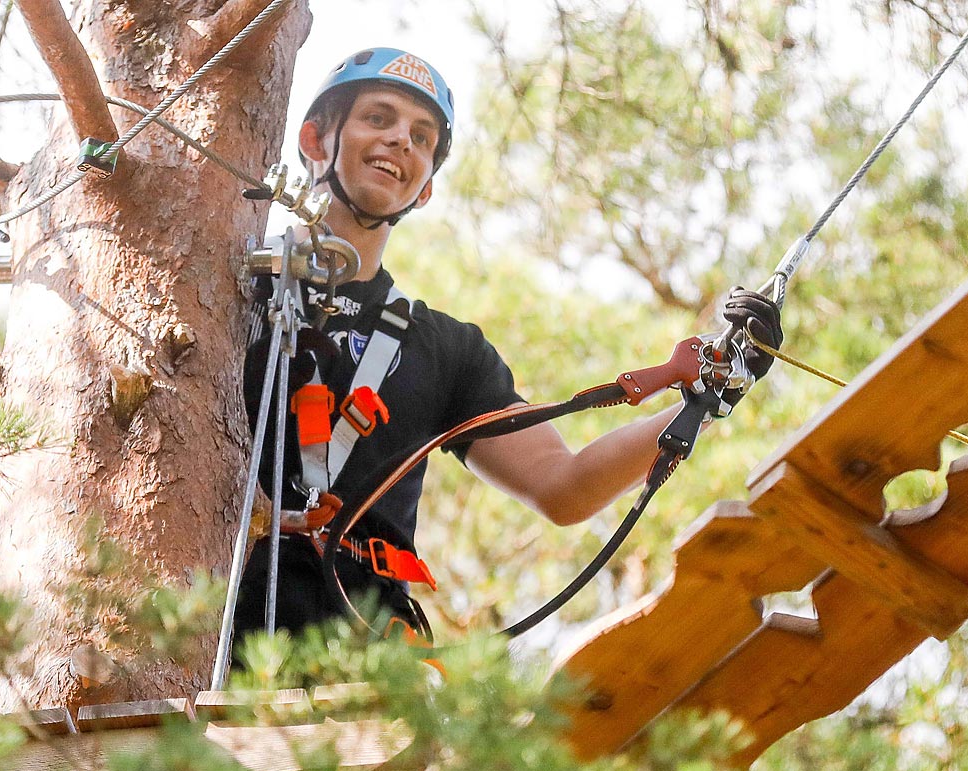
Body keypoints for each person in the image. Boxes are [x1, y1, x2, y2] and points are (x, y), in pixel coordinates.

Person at [235, 47, 781, 643]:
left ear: (426, 191)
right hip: (208, 623)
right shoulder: (225, 286)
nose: (401, 141)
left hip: (362, 649)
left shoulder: (444, 350)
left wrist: (702, 401)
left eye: (422, 136)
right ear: (315, 141)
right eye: (378, 118)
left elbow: (564, 486)